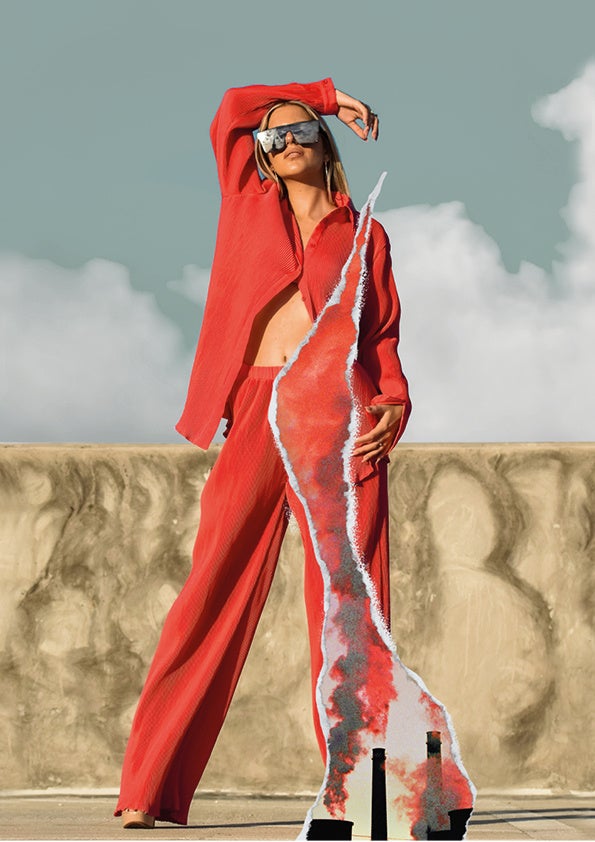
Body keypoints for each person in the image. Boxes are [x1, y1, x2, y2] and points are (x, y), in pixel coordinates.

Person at [114, 77, 411, 829]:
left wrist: (394, 402)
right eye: (272, 137)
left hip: (339, 414)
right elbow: (232, 107)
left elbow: (380, 335)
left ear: (322, 146)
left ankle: (360, 795)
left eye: (299, 129)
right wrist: (325, 94)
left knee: (349, 607)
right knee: (210, 588)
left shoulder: (364, 234)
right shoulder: (247, 204)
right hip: (256, 407)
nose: (283, 142)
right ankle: (147, 787)